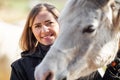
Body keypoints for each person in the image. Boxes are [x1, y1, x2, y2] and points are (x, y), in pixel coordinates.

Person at [10, 3, 60, 80]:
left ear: (60, 23)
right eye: (37, 26)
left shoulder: (79, 62)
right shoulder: (20, 67)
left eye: (49, 23)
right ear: (31, 31)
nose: (44, 30)